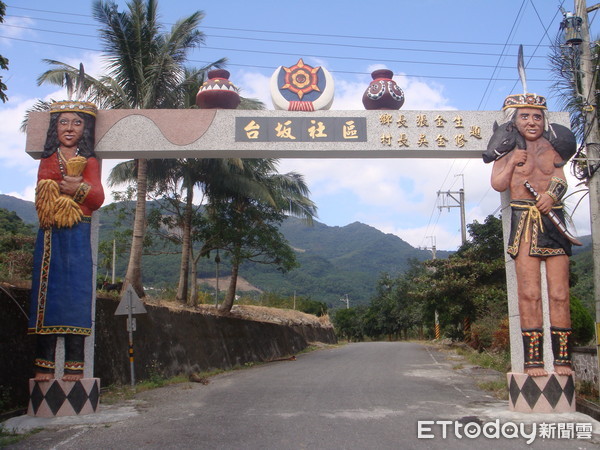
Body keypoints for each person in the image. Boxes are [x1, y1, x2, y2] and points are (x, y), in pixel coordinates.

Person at [490, 94, 574, 377]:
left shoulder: (554, 147)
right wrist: (513, 161)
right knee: (529, 293)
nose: (531, 121)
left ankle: (563, 359)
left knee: (560, 293)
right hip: (524, 219)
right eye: (524, 116)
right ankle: (533, 360)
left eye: (537, 116)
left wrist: (552, 194)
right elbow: (498, 183)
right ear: (514, 121)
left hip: (553, 219)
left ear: (544, 120)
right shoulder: (506, 150)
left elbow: (561, 179)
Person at [28, 101, 104, 382]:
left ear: (86, 128)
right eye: (63, 122)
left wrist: (78, 188)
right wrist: (60, 190)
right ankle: (43, 365)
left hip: (78, 231)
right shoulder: (48, 158)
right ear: (54, 127)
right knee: (45, 297)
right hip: (50, 232)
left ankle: (75, 365)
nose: (69, 128)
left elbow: (97, 198)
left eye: (77, 123)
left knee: (77, 296)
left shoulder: (90, 161)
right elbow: (44, 189)